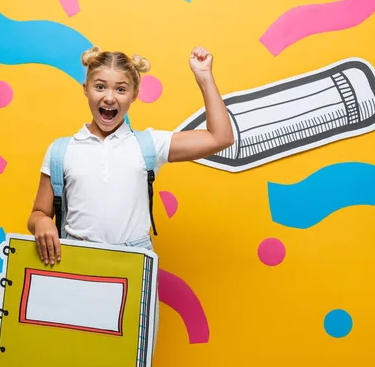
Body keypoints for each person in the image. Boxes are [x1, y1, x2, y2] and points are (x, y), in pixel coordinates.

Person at [27, 44, 234, 353]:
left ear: (134, 95)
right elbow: (38, 213)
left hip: (133, 268)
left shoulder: (149, 144)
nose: (110, 97)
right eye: (100, 86)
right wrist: (42, 222)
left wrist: (204, 77)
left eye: (120, 89)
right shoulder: (61, 150)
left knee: (125, 357)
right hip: (75, 267)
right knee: (72, 355)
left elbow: (220, 137)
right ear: (86, 89)